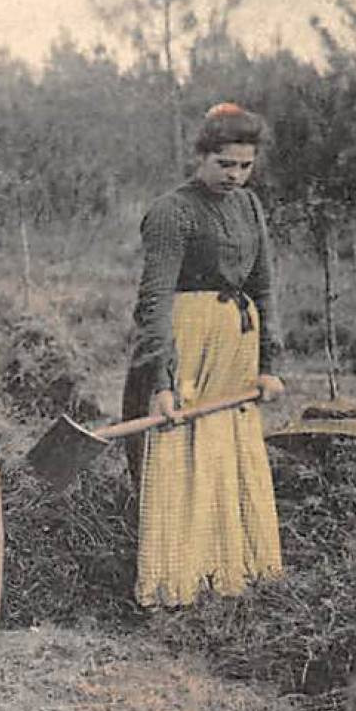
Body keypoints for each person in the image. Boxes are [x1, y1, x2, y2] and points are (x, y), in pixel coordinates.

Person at [121, 102, 287, 607]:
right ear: (202, 157)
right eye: (224, 164)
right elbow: (153, 302)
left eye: (245, 165)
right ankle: (181, 582)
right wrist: (163, 382)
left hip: (235, 349)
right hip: (187, 347)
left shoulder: (250, 208)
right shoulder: (173, 212)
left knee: (227, 451)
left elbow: (264, 286)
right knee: (184, 452)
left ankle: (230, 572)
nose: (235, 175)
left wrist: (269, 363)